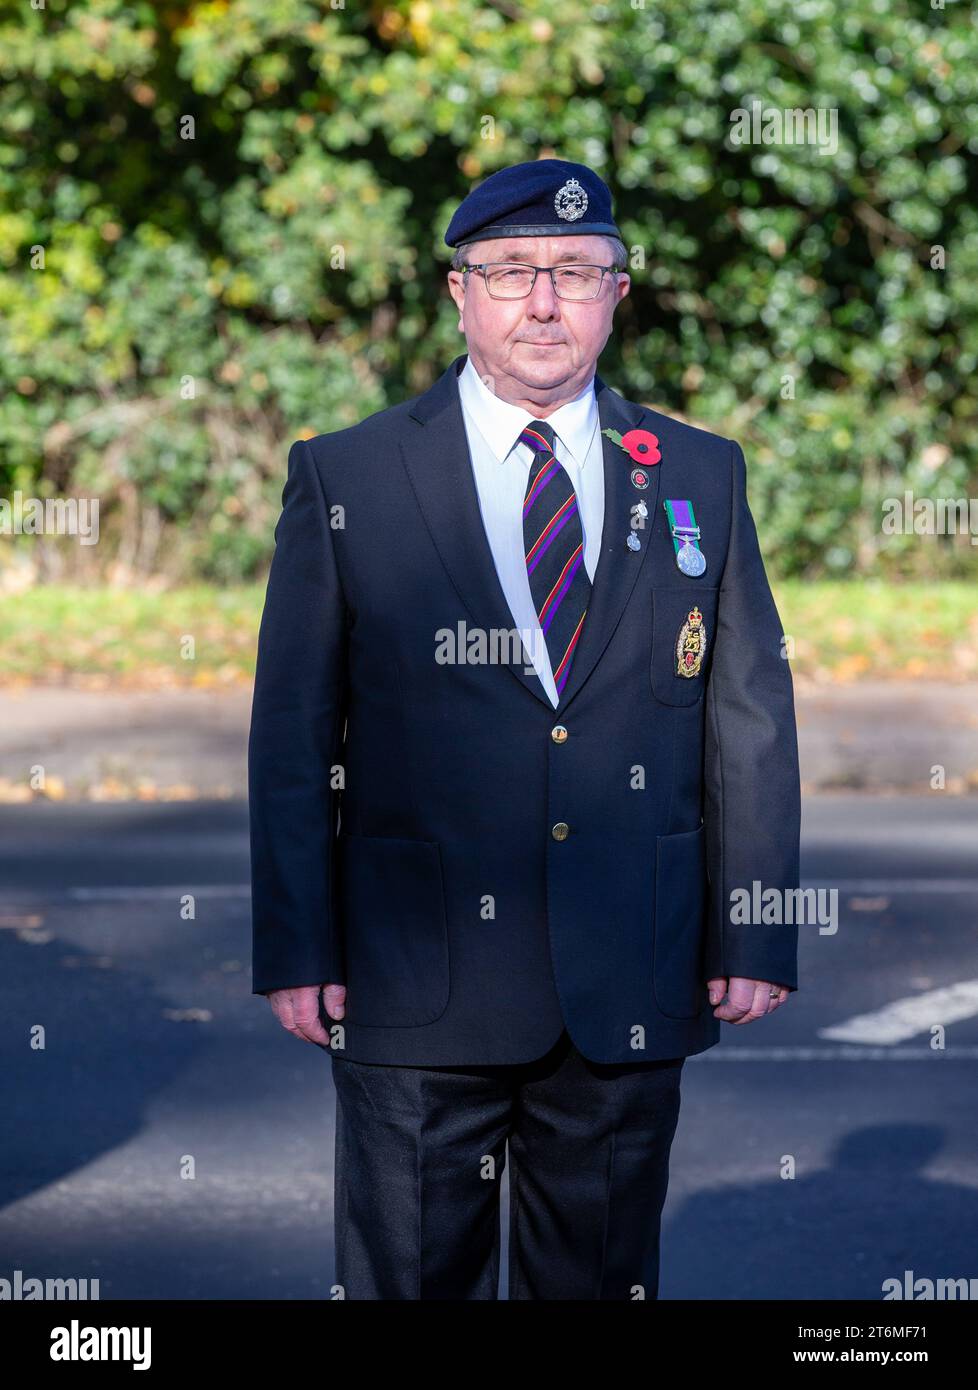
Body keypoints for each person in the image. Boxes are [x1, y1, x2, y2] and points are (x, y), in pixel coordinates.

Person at [248, 158, 801, 1300]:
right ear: (461, 293)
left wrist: (754, 924)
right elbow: (293, 731)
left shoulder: (700, 472)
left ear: (617, 294)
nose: (543, 301)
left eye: (575, 272)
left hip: (626, 978)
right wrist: (297, 944)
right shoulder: (348, 474)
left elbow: (746, 715)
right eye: (509, 272)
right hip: (414, 982)